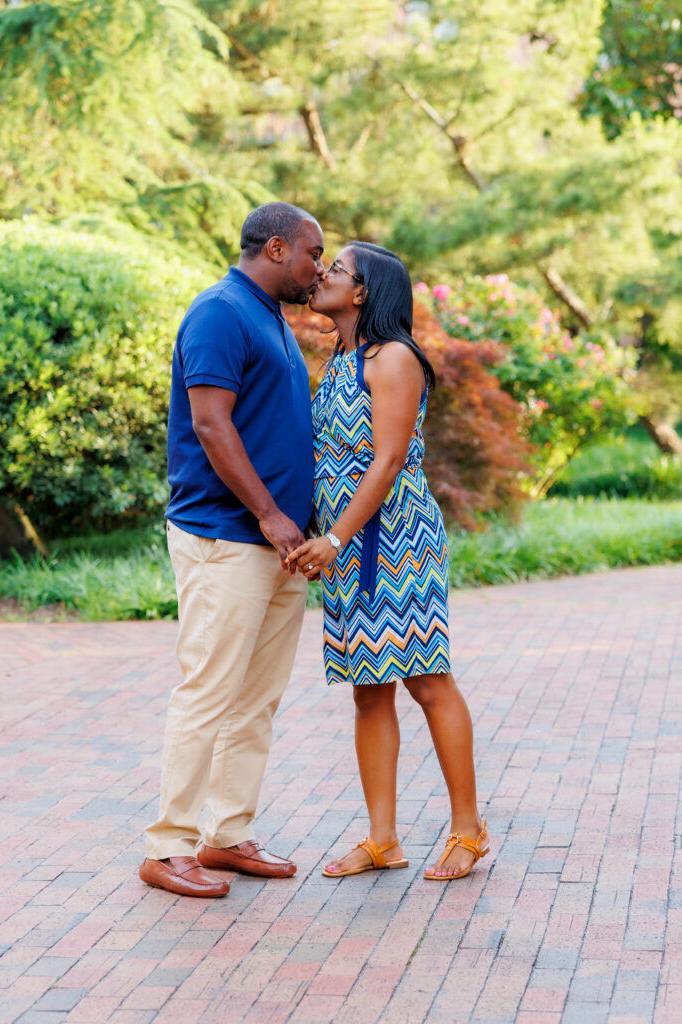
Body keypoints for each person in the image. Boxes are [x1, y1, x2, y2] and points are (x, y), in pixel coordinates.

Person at [139, 202, 325, 898]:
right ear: (276, 248)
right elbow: (211, 425)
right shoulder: (220, 311)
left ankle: (226, 835)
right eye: (313, 253)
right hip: (228, 537)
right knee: (208, 691)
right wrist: (273, 515)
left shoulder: (270, 315)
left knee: (256, 699)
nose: (319, 267)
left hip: (278, 545)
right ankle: (167, 847)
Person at [288, 242, 489, 881]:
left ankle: (468, 830)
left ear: (363, 292)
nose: (322, 274)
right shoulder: (340, 358)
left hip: (395, 539)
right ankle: (383, 840)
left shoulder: (393, 358)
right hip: (345, 548)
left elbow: (388, 460)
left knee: (428, 682)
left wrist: (336, 537)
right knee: (368, 693)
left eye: (336, 269)